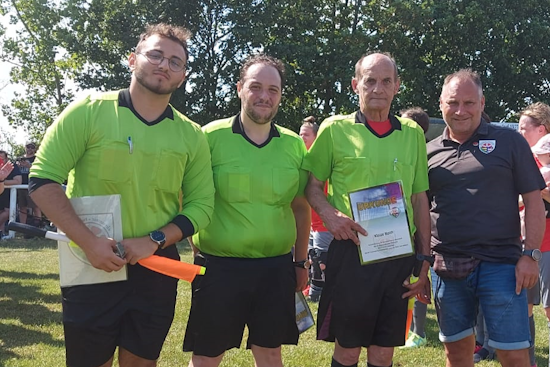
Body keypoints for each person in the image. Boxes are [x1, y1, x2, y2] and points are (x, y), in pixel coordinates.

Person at [28, 23, 215, 367]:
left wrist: (155, 239)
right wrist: (88, 242)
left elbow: (202, 206)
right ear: (132, 59)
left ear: (183, 76)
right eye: (155, 55)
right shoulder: (89, 110)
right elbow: (42, 180)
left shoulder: (192, 135)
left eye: (175, 62)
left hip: (156, 265)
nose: (164, 65)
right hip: (90, 261)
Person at [303, 52, 432, 367]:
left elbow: (419, 199)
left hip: (398, 254)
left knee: (383, 351)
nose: (378, 88)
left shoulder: (413, 133)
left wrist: (425, 258)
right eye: (370, 80)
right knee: (348, 350)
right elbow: (311, 187)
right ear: (355, 84)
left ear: (397, 86)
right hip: (352, 252)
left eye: (386, 81)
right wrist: (330, 215)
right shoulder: (335, 129)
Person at [183, 54, 310, 367]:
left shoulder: (294, 145)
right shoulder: (209, 137)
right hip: (219, 268)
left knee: (269, 354)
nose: (264, 96)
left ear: (280, 95)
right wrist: (199, 248)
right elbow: (187, 198)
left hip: (276, 269)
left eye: (273, 89)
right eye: (256, 87)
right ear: (239, 88)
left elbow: (300, 208)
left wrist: (300, 262)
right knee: (207, 355)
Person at [428, 69, 546, 367]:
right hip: (447, 267)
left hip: (502, 266)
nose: (460, 110)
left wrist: (530, 254)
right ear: (441, 104)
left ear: (482, 103)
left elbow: (534, 201)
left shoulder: (509, 141)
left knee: (515, 354)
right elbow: (418, 208)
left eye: (469, 102)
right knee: (456, 353)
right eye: (453, 102)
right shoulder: (427, 152)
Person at [519, 101, 550, 367]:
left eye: (523, 128)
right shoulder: (522, 158)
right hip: (523, 243)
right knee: (524, 307)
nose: (519, 133)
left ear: (541, 129)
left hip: (549, 244)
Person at [399, 107, 430, 349]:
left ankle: (418, 332)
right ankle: (412, 330)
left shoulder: (424, 155)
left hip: (419, 234)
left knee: (420, 284)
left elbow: (422, 199)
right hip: (400, 234)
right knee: (412, 286)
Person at [299, 116, 334, 302]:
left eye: (305, 135)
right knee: (310, 257)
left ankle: (318, 292)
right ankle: (311, 287)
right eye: (300, 134)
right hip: (308, 221)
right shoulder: (300, 159)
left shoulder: (322, 159)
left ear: (316, 137)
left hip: (322, 222)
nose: (301, 137)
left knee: (321, 260)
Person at [16, 140, 42, 227]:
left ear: (35, 149)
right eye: (28, 147)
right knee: (22, 207)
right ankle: (22, 226)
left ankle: (37, 225)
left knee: (35, 206)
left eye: (32, 147)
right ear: (25, 147)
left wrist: (29, 166)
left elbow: (40, 171)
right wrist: (18, 166)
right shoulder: (19, 159)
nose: (30, 149)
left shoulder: (37, 158)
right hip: (20, 185)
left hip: (32, 185)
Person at [0, 150, 22, 236]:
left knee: (8, 212)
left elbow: (18, 181)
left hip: (9, 194)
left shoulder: (13, 166)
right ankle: (2, 234)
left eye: (2, 159)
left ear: (7, 159)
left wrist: (2, 181)